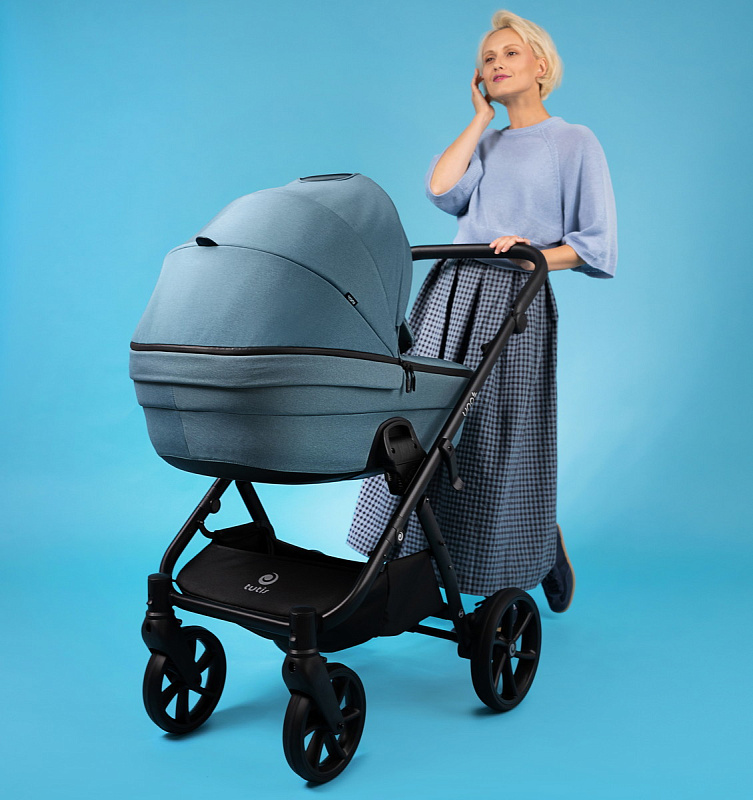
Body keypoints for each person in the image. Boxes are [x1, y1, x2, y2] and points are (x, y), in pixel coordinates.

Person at [347, 9, 617, 612]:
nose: (497, 64)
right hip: (450, 289)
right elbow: (441, 190)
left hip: (513, 297)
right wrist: (478, 119)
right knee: (420, 421)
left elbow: (595, 245)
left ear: (541, 66)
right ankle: (393, 561)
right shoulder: (485, 143)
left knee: (492, 434)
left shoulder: (575, 142)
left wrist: (532, 253)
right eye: (488, 58)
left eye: (510, 54)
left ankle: (534, 544)